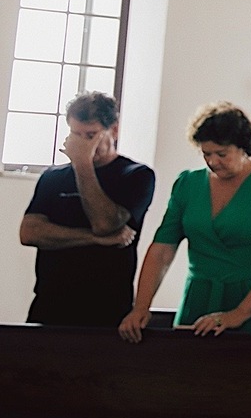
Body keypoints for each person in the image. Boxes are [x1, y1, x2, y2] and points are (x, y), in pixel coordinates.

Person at [118, 102, 251, 341]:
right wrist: (141, 306)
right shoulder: (188, 184)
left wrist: (238, 314)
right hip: (199, 300)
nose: (213, 161)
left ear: (243, 148)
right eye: (206, 154)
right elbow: (162, 250)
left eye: (222, 154)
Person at [19, 92, 155, 327]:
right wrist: (93, 238)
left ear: (114, 130)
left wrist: (82, 164)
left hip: (107, 309)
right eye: (76, 135)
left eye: (91, 136)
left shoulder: (136, 175)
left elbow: (104, 225)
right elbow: (29, 233)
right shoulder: (52, 177)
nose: (82, 144)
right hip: (50, 305)